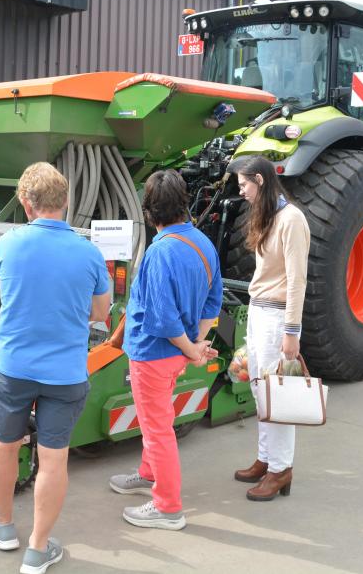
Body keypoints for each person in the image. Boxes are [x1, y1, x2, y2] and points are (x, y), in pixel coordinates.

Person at [0, 162, 111, 574]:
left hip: (14, 366)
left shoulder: (10, 244)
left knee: (4, 445)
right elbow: (100, 313)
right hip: (65, 373)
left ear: (26, 203)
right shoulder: (90, 253)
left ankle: (4, 527)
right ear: (66, 202)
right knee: (53, 459)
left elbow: (9, 287)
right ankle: (37, 550)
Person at [108, 169, 222, 530]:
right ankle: (147, 474)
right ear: (184, 204)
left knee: (158, 429)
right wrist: (197, 344)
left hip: (154, 354)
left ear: (149, 212)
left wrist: (190, 348)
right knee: (156, 421)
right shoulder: (203, 243)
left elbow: (163, 319)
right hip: (173, 356)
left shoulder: (160, 252)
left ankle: (168, 508)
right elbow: (212, 302)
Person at [231, 156, 310, 501]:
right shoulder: (270, 216)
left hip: (278, 317)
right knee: (261, 390)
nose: (242, 191)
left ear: (260, 181)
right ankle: (266, 459)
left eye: (245, 185)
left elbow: (297, 281)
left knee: (278, 395)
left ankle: (281, 469)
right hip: (261, 312)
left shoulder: (291, 219)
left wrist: (291, 332)